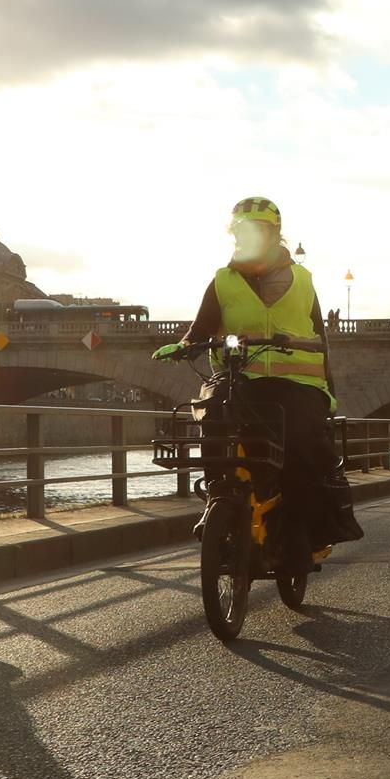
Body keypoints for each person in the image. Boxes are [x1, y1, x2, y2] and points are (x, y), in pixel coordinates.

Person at [157, 197, 362, 571]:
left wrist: (328, 390)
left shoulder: (303, 280)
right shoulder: (222, 280)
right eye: (242, 230)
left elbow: (320, 337)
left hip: (297, 382)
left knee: (301, 448)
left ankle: (298, 537)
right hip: (240, 377)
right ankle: (218, 500)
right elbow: (201, 327)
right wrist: (184, 345)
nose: (250, 236)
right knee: (213, 418)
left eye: (258, 230)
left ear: (274, 235)